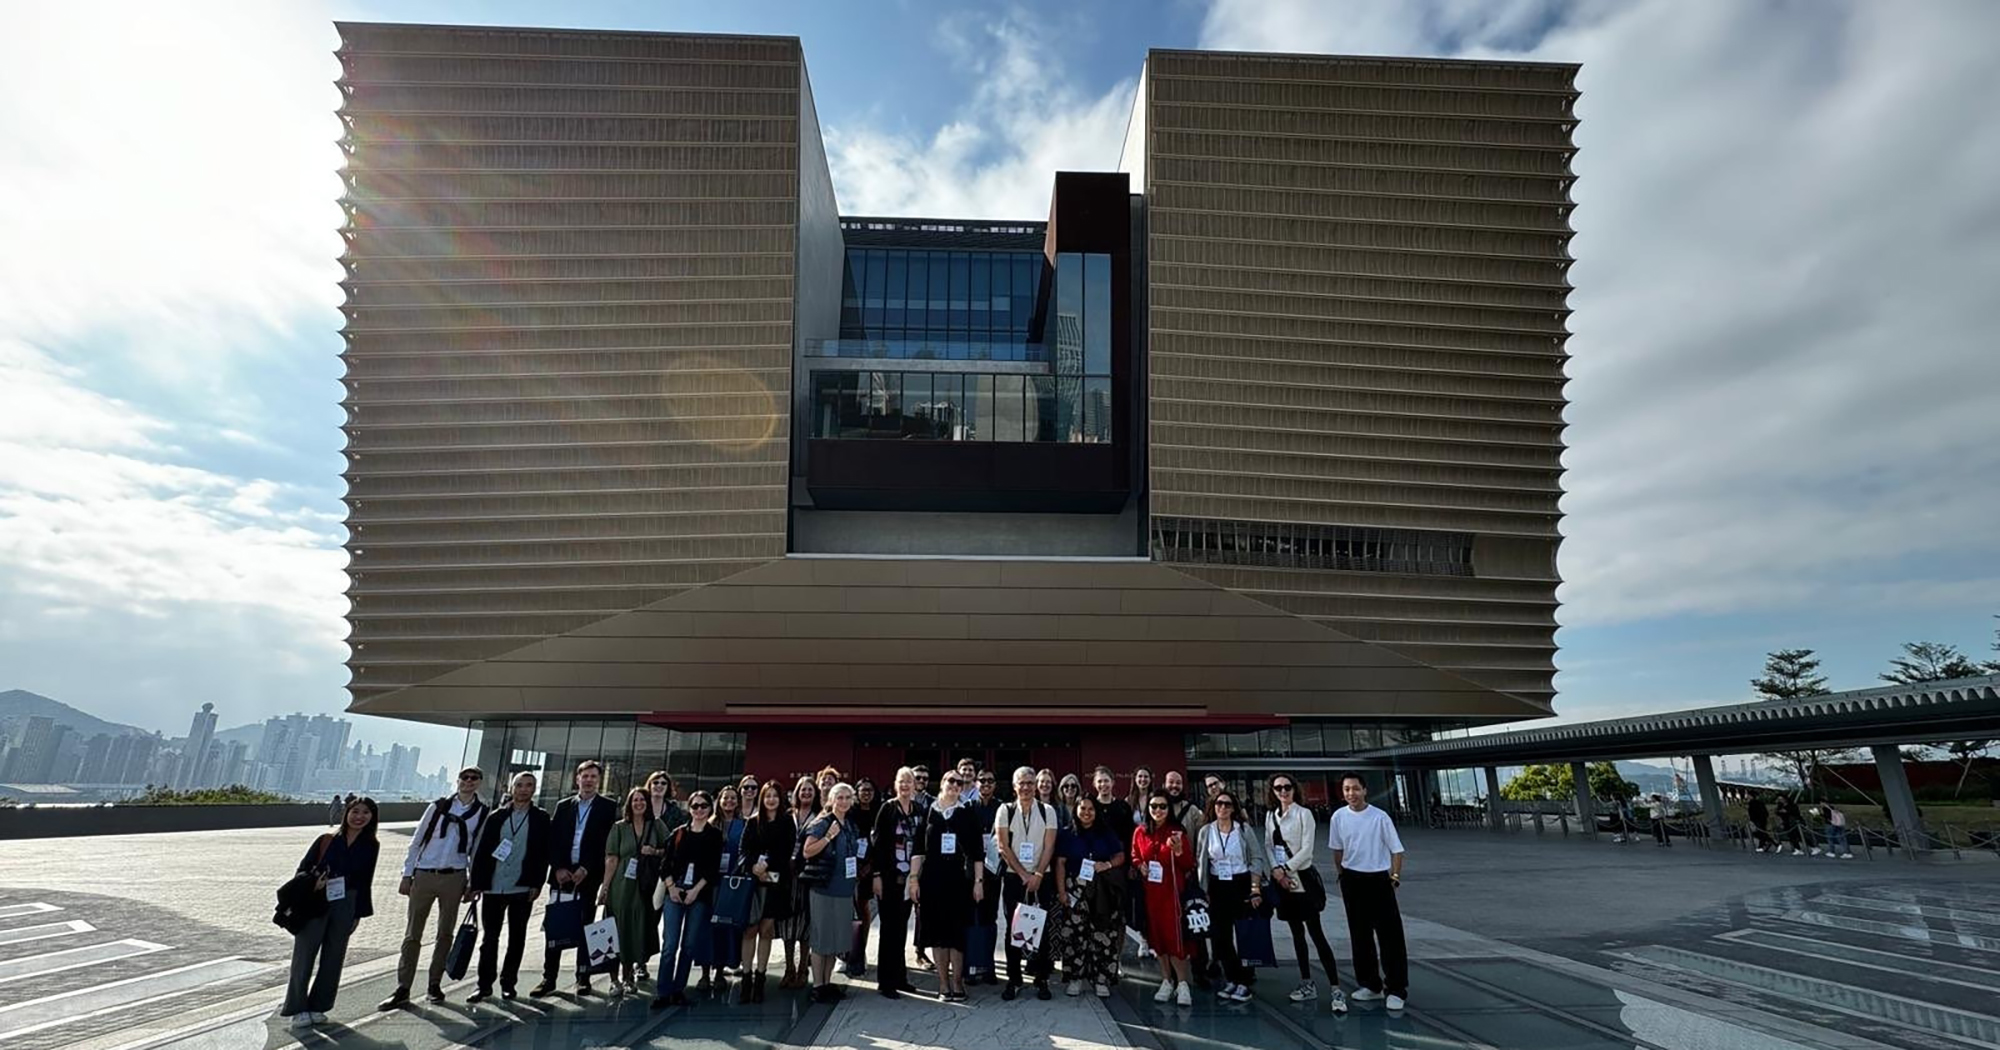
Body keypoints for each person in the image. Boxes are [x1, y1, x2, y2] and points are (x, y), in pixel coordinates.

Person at [381, 767, 489, 1009]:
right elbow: (416, 841)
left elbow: (476, 849)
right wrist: (407, 874)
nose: (468, 782)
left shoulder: (481, 812)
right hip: (425, 873)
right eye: (465, 778)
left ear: (479, 783)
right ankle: (403, 986)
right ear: (458, 781)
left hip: (455, 875)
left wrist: (473, 882)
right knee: (412, 933)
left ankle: (434, 984)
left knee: (446, 933)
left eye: (473, 779)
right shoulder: (439, 807)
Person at [282, 796, 381, 1028]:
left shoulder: (371, 845)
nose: (360, 817)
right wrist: (313, 883)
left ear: (372, 817)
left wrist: (358, 913)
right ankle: (297, 1007)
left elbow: (366, 880)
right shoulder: (325, 840)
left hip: (347, 902)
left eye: (366, 813)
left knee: (334, 956)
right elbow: (302, 869)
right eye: (355, 811)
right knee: (304, 955)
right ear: (346, 813)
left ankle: (319, 1005)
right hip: (316, 900)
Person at [531, 760, 615, 998]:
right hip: (562, 876)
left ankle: (583, 976)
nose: (588, 780)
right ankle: (549, 977)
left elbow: (605, 842)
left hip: (587, 877)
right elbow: (554, 839)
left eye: (593, 777)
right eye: (584, 776)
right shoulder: (564, 806)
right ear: (577, 779)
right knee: (556, 926)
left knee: (585, 924)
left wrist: (587, 868)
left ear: (599, 780)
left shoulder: (608, 807)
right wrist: (557, 867)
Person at [1265, 774, 1344, 1013]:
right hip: (1282, 881)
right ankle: (1306, 982)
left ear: (1294, 789)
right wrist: (1277, 872)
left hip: (1302, 880)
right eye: (1278, 788)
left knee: (1316, 932)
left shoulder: (1303, 814)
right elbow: (1269, 845)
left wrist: (1286, 869)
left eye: (1287, 787)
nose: (1283, 792)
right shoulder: (1271, 816)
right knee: (1296, 934)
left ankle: (1335, 987)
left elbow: (1307, 849)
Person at [1329, 773, 1408, 1011]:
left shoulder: (1379, 817)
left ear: (1365, 790)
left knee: (1390, 935)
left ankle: (1396, 988)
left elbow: (1397, 850)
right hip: (1352, 879)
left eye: (1355, 789)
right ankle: (1370, 984)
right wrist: (1342, 875)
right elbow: (1337, 850)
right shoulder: (1338, 817)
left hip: (1378, 878)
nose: (1350, 794)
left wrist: (1394, 877)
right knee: (1360, 935)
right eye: (1346, 789)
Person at [468, 771, 549, 1003]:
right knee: (489, 938)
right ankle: (483, 985)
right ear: (512, 788)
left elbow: (542, 854)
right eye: (520, 785)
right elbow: (482, 852)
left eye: (529, 785)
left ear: (534, 789)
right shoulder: (496, 817)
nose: (524, 789)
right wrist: (476, 884)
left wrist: (536, 883)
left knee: (517, 937)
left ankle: (508, 983)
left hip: (521, 887)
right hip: (494, 886)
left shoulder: (541, 818)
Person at [913, 767, 986, 1001]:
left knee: (956, 934)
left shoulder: (967, 813)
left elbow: (977, 852)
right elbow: (918, 849)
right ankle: (943, 983)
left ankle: (957, 982)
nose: (955, 786)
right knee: (937, 933)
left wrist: (978, 882)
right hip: (933, 879)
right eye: (951, 781)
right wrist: (914, 879)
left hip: (958, 879)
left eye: (959, 783)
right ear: (942, 783)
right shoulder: (928, 811)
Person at [995, 765, 1060, 1000]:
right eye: (1021, 783)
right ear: (1014, 786)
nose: (1026, 787)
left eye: (1030, 783)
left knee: (1040, 926)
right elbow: (1003, 846)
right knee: (1013, 928)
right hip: (1014, 877)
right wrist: (1024, 875)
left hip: (1042, 875)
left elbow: (1050, 845)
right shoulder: (1005, 810)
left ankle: (1041, 978)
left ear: (1036, 786)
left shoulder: (1047, 811)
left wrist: (1038, 875)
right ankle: (1014, 978)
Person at [653, 790, 722, 1006]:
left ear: (710, 808)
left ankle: (678, 988)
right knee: (670, 944)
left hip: (698, 894)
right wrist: (672, 888)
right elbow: (665, 864)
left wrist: (696, 891)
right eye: (695, 806)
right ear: (689, 809)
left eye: (703, 806)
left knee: (689, 944)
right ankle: (663, 991)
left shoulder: (714, 835)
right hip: (676, 890)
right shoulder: (678, 833)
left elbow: (713, 868)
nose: (699, 810)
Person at [1054, 794, 1126, 999]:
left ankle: (1101, 979)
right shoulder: (1067, 834)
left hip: (1102, 888)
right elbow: (1060, 863)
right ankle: (1075, 978)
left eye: (1090, 809)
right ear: (1076, 810)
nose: (1086, 813)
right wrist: (1061, 892)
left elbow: (1120, 855)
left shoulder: (1106, 832)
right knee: (1074, 934)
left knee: (1103, 933)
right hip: (1075, 888)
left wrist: (1108, 864)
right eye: (1082, 808)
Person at [599, 786, 667, 998]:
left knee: (634, 930)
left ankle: (629, 976)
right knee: (615, 929)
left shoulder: (656, 825)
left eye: (642, 800)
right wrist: (606, 886)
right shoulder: (619, 827)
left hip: (644, 886)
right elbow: (611, 858)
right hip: (621, 886)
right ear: (629, 804)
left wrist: (654, 851)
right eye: (635, 800)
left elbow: (670, 849)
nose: (639, 803)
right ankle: (614, 980)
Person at [1197, 790, 1263, 1003]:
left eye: (1227, 804)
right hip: (1218, 885)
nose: (1222, 808)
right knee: (1220, 936)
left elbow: (1256, 857)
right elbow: (1202, 862)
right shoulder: (1206, 831)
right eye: (1218, 804)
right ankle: (1232, 978)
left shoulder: (1242, 829)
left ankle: (1245, 981)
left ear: (1234, 808)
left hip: (1241, 883)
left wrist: (1255, 888)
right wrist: (1204, 889)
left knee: (1244, 934)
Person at [802, 782, 863, 1003]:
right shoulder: (822, 822)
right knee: (821, 939)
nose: (844, 801)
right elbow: (807, 851)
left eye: (848, 797)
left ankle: (827, 983)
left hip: (844, 889)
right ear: (832, 799)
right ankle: (817, 985)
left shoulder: (850, 825)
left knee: (834, 940)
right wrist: (827, 837)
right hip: (824, 888)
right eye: (840, 797)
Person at [1132, 791, 1193, 1006]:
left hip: (1171, 892)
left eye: (1162, 806)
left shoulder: (1177, 832)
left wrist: (1177, 851)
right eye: (1154, 806)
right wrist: (1140, 865)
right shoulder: (1140, 832)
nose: (1158, 810)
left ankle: (1182, 983)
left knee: (1174, 938)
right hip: (1151, 893)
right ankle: (1166, 979)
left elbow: (1188, 863)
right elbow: (1135, 855)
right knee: (1157, 938)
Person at [738, 779, 797, 1003]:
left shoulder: (786, 822)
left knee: (767, 929)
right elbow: (743, 850)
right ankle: (746, 977)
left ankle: (761, 977)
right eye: (767, 795)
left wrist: (767, 868)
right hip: (753, 883)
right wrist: (754, 866)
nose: (771, 799)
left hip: (776, 882)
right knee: (750, 929)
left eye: (775, 795)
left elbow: (787, 852)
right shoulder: (753, 822)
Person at [870, 767, 924, 998]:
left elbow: (921, 845)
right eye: (901, 782)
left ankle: (900, 977)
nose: (905, 786)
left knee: (902, 930)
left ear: (915, 786)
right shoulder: (887, 809)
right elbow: (878, 845)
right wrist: (876, 876)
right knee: (889, 930)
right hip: (889, 878)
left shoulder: (919, 810)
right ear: (895, 784)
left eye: (909, 782)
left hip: (909, 880)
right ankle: (886, 981)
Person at [696, 783, 747, 989]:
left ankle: (719, 971)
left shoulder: (743, 825)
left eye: (733, 798)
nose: (729, 801)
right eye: (725, 798)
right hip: (709, 883)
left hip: (731, 883)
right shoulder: (709, 823)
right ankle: (704, 972)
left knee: (725, 928)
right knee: (706, 926)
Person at [779, 776, 823, 989]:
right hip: (788, 877)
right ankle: (789, 968)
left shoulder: (820, 817)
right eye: (802, 790)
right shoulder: (788, 816)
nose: (805, 793)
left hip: (808, 876)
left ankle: (803, 968)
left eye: (809, 790)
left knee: (806, 923)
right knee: (788, 923)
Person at [967, 766, 1003, 985]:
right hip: (971, 871)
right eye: (982, 781)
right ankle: (972, 965)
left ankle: (989, 966)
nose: (986, 784)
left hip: (994, 870)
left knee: (990, 919)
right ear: (976, 783)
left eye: (990, 781)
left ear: (995, 785)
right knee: (971, 919)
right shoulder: (969, 807)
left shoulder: (1002, 808)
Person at [848, 776, 880, 978]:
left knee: (864, 909)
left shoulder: (879, 812)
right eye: (862, 790)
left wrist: (870, 866)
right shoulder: (850, 813)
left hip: (870, 866)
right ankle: (846, 954)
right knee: (848, 912)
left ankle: (861, 951)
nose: (866, 793)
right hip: (850, 865)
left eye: (869, 790)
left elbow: (882, 842)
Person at [1125, 766, 1157, 960]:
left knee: (1154, 900)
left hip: (1155, 854)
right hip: (1137, 853)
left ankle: (1155, 940)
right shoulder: (1130, 802)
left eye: (1146, 776)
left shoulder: (1156, 799)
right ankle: (1144, 939)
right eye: (1140, 777)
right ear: (1135, 779)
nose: (1143, 780)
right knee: (1139, 901)